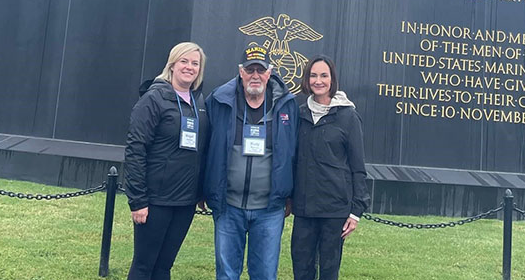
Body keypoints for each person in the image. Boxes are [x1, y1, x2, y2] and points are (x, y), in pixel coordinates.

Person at [203, 43, 298, 280]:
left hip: (269, 209)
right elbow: (205, 150)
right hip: (228, 206)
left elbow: (295, 154)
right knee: (226, 274)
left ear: (269, 72)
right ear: (241, 72)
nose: (255, 75)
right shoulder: (219, 100)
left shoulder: (287, 105)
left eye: (260, 70)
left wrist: (291, 195)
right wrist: (203, 190)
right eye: (250, 70)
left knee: (265, 275)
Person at [123, 42, 209, 280]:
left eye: (195, 63)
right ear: (172, 64)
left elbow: (201, 151)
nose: (189, 67)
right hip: (156, 200)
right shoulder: (154, 99)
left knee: (164, 267)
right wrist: (138, 200)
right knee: (144, 266)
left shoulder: (199, 103)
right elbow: (135, 149)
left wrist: (200, 192)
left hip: (185, 202)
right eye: (184, 61)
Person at [291, 55, 370, 280]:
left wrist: (356, 211)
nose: (318, 81)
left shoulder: (348, 116)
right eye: (313, 75)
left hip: (335, 209)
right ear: (307, 79)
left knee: (328, 271)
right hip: (304, 208)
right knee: (301, 269)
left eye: (324, 75)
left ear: (332, 79)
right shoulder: (299, 113)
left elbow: (358, 166)